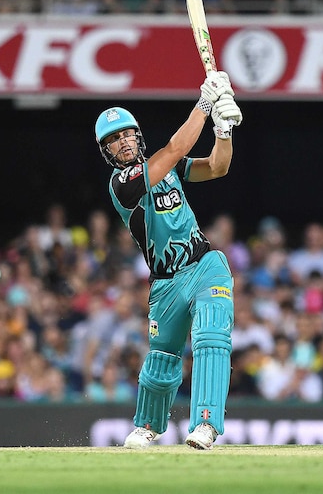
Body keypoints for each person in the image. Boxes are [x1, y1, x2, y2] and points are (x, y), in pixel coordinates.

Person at [93, 69, 243, 450]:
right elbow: (174, 150)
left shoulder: (170, 168)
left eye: (127, 133)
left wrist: (223, 131)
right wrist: (204, 105)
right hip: (164, 283)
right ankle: (148, 426)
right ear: (106, 151)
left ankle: (206, 424)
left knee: (211, 337)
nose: (123, 142)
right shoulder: (122, 185)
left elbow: (218, 167)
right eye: (114, 140)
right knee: (161, 361)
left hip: (205, 263)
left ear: (137, 135)